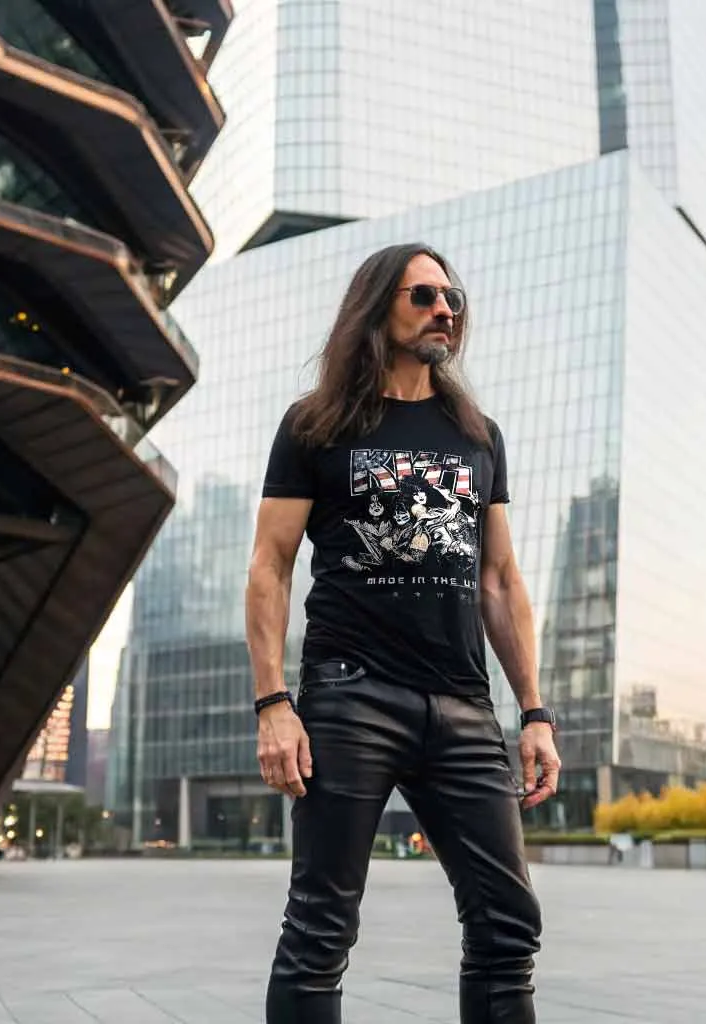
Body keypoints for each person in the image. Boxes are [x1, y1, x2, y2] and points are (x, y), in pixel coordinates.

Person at [244, 242, 562, 1024]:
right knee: (319, 930)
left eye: (451, 296)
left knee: (507, 926)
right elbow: (270, 567)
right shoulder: (317, 424)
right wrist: (274, 703)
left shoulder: (476, 433)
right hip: (352, 699)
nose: (445, 309)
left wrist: (534, 711)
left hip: (460, 706)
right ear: (377, 305)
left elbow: (500, 580)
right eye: (423, 296)